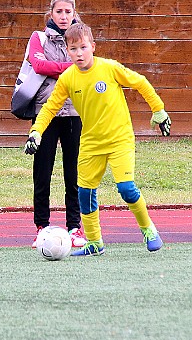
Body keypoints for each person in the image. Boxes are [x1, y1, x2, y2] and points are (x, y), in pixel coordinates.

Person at [25, 23, 171, 256]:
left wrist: (159, 110)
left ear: (92, 47)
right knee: (84, 193)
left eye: (83, 47)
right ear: (67, 50)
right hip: (91, 144)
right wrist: (36, 132)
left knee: (126, 189)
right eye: (73, 49)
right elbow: (50, 108)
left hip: (119, 140)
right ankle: (95, 243)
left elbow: (140, 82)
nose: (79, 53)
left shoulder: (110, 68)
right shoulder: (67, 78)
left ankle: (148, 229)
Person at [26, 0, 86, 248]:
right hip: (45, 112)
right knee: (42, 172)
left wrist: (64, 68)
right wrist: (70, 68)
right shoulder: (38, 37)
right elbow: (39, 66)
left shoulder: (82, 37)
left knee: (74, 173)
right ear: (51, 13)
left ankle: (75, 226)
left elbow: (87, 65)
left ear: (74, 13)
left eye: (68, 12)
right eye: (59, 12)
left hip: (75, 111)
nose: (63, 17)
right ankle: (42, 226)